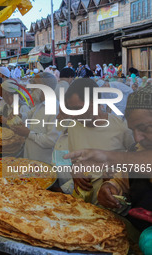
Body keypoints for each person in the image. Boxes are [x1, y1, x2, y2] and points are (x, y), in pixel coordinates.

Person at [64, 84, 152, 231]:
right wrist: (110, 186)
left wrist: (109, 157)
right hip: (133, 231)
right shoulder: (138, 147)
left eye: (144, 129)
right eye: (133, 130)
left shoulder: (119, 128)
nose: (136, 138)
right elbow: (124, 178)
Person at [62, 78, 134, 203]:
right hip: (85, 206)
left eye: (77, 108)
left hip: (115, 208)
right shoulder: (73, 127)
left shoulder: (121, 126)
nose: (73, 115)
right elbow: (75, 161)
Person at [11, 72, 60, 162]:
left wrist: (28, 133)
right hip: (31, 158)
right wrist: (19, 115)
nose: (31, 87)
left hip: (44, 163)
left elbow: (51, 141)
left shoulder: (54, 108)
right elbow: (28, 115)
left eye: (35, 83)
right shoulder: (40, 104)